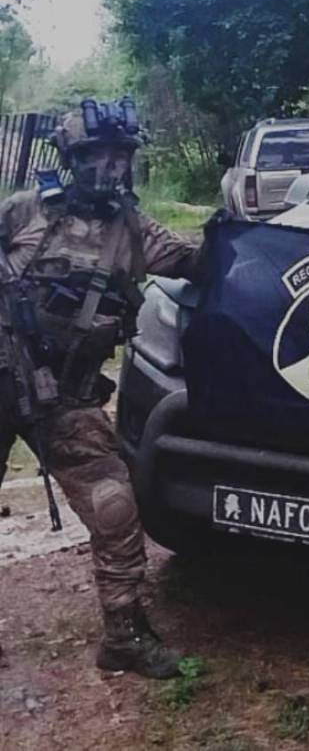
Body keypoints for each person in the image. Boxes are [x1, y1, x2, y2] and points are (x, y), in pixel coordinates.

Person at [0, 98, 205, 679]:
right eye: (96, 156)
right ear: (72, 159)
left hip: (66, 399)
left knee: (115, 510)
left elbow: (201, 263)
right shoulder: (24, 213)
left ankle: (123, 637)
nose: (110, 167)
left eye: (120, 156)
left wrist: (240, 232)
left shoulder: (135, 232)